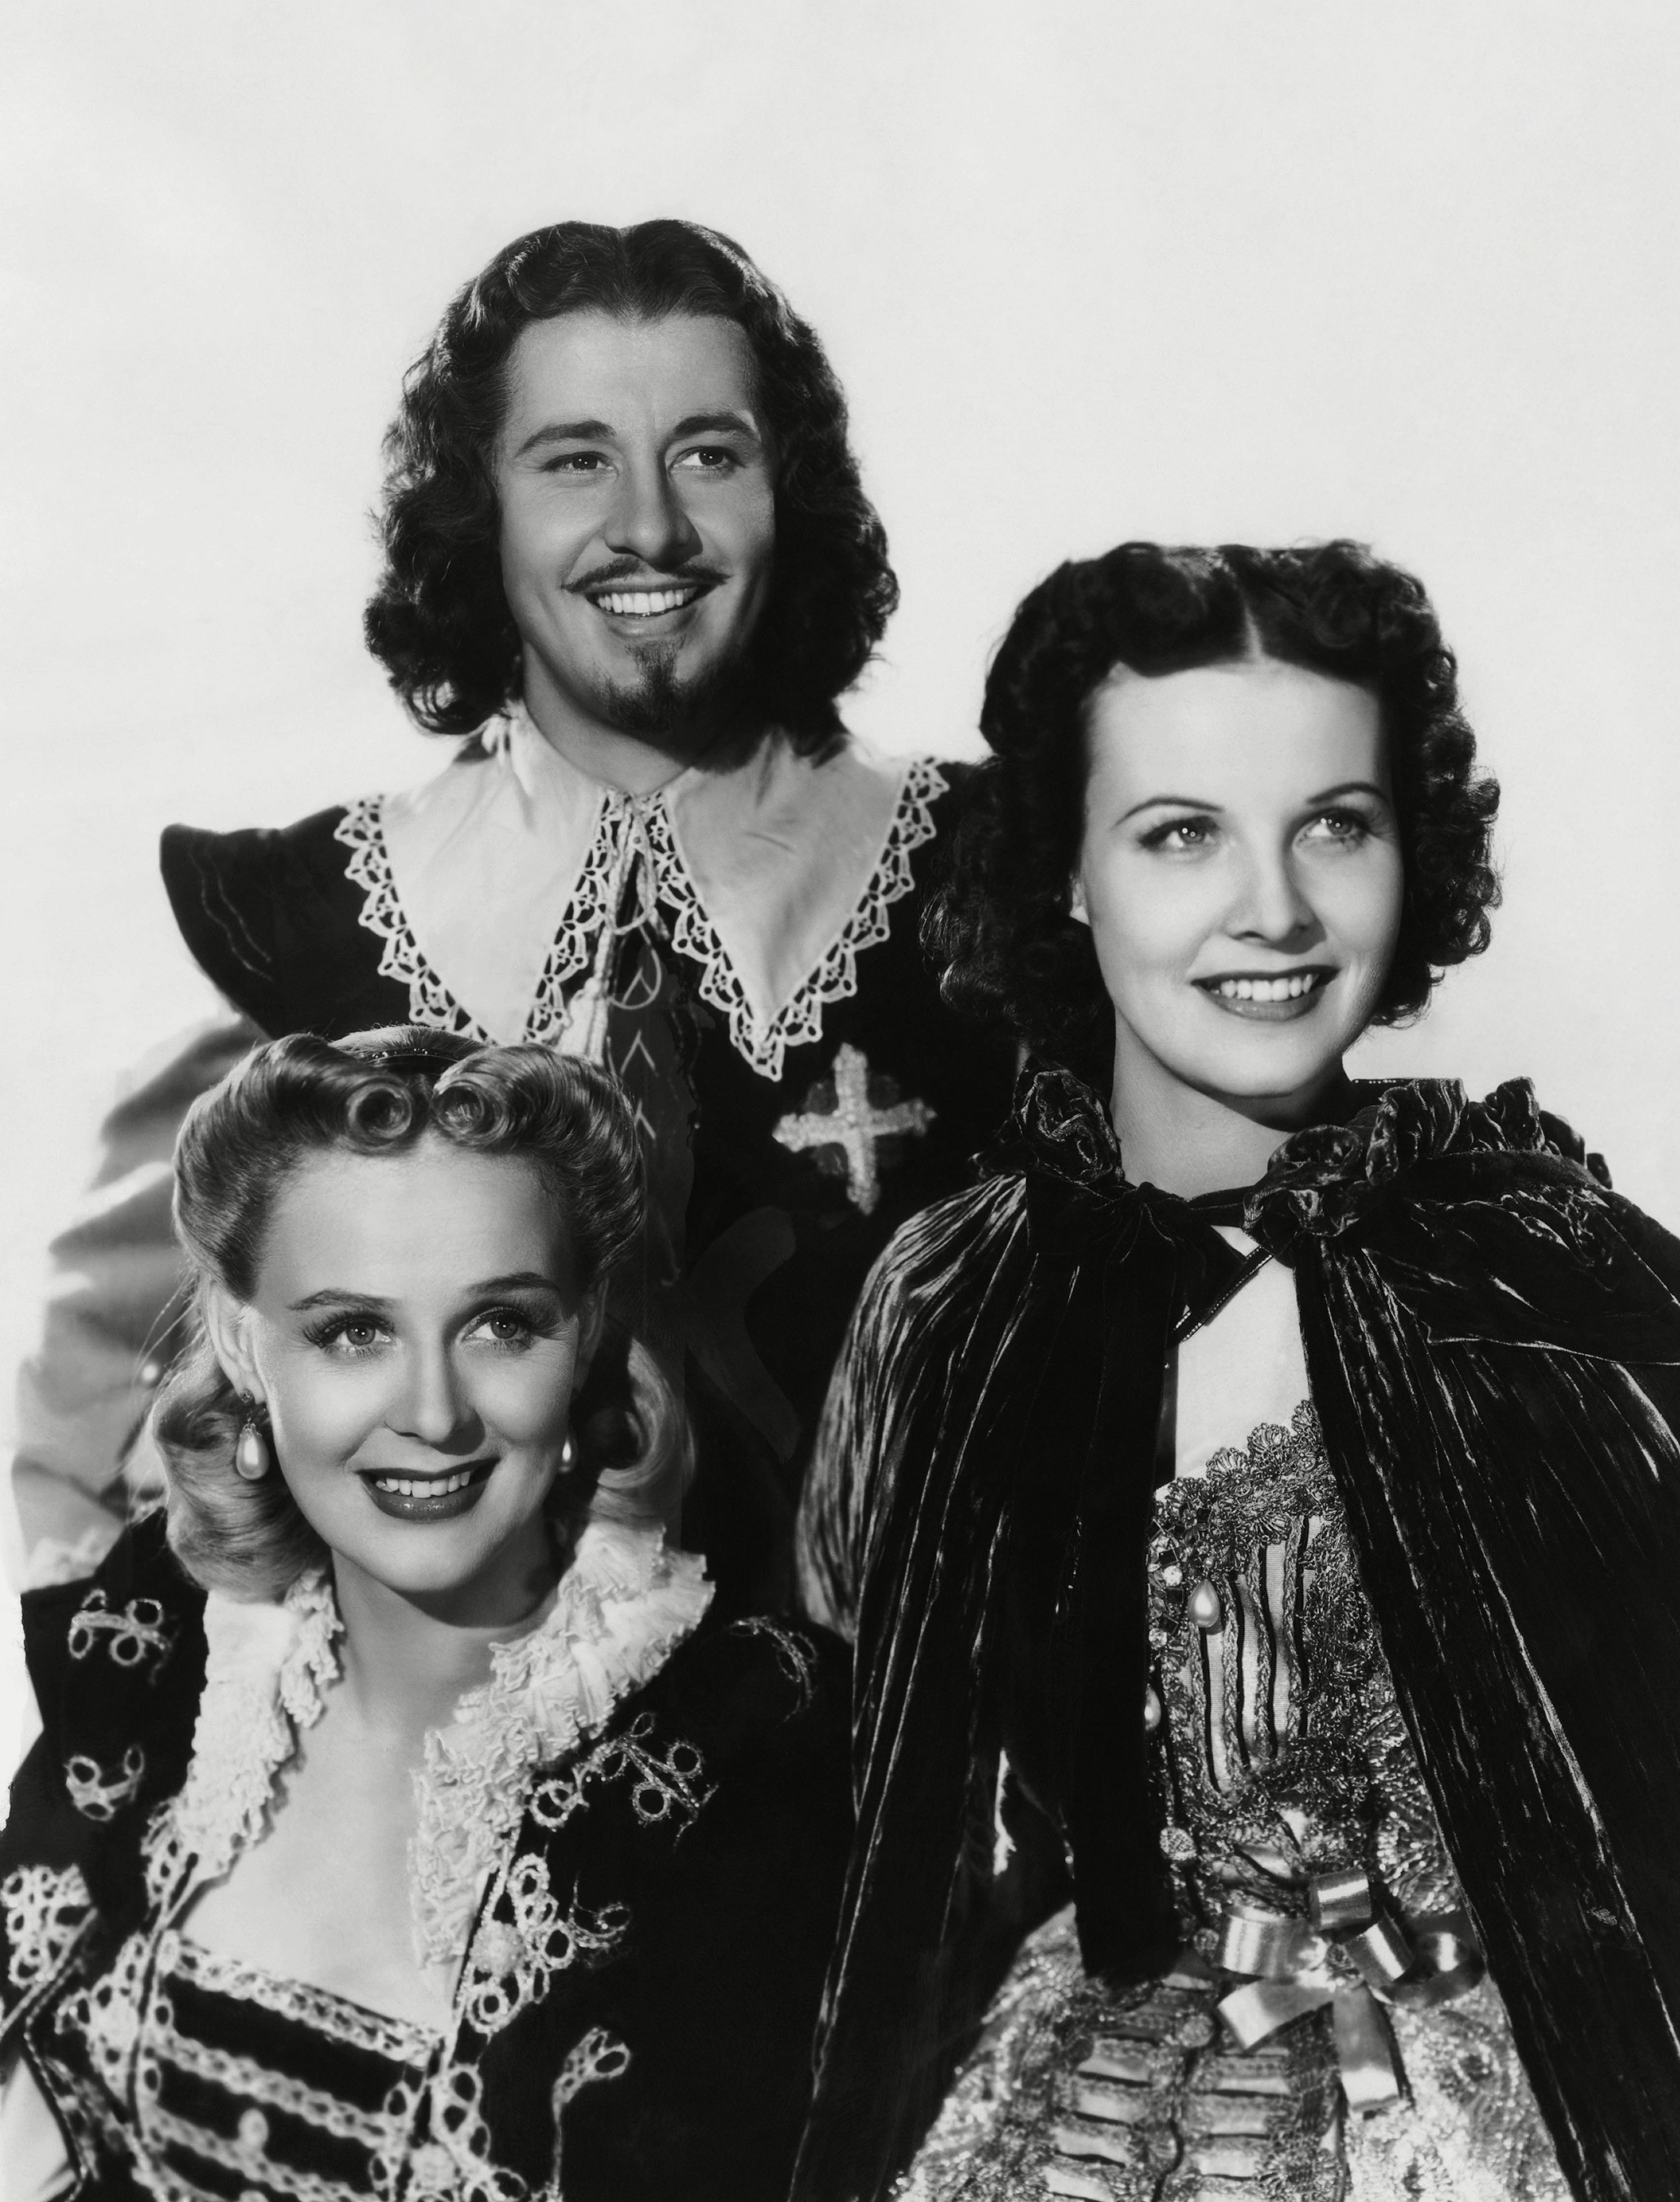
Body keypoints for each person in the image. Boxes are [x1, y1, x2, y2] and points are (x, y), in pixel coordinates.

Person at [792, 542, 1680, 2202]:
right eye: (1181, 833)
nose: (1273, 910)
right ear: (1067, 869)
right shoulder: (947, 1294)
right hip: (1068, 2105)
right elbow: (889, 1764)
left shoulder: (1546, 1271)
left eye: (1333, 825)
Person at [11, 218, 1014, 1608]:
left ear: (791, 495)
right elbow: (87, 1420)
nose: (649, 526)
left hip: (898, 1725)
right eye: (574, 460)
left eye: (709, 455)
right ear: (480, 509)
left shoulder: (986, 872)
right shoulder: (310, 928)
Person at [0, 1028, 851, 2202]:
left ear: (585, 1337)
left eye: (501, 1325)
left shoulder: (736, 1755)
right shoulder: (165, 1646)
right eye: (353, 1331)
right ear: (246, 1344)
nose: (436, 1414)